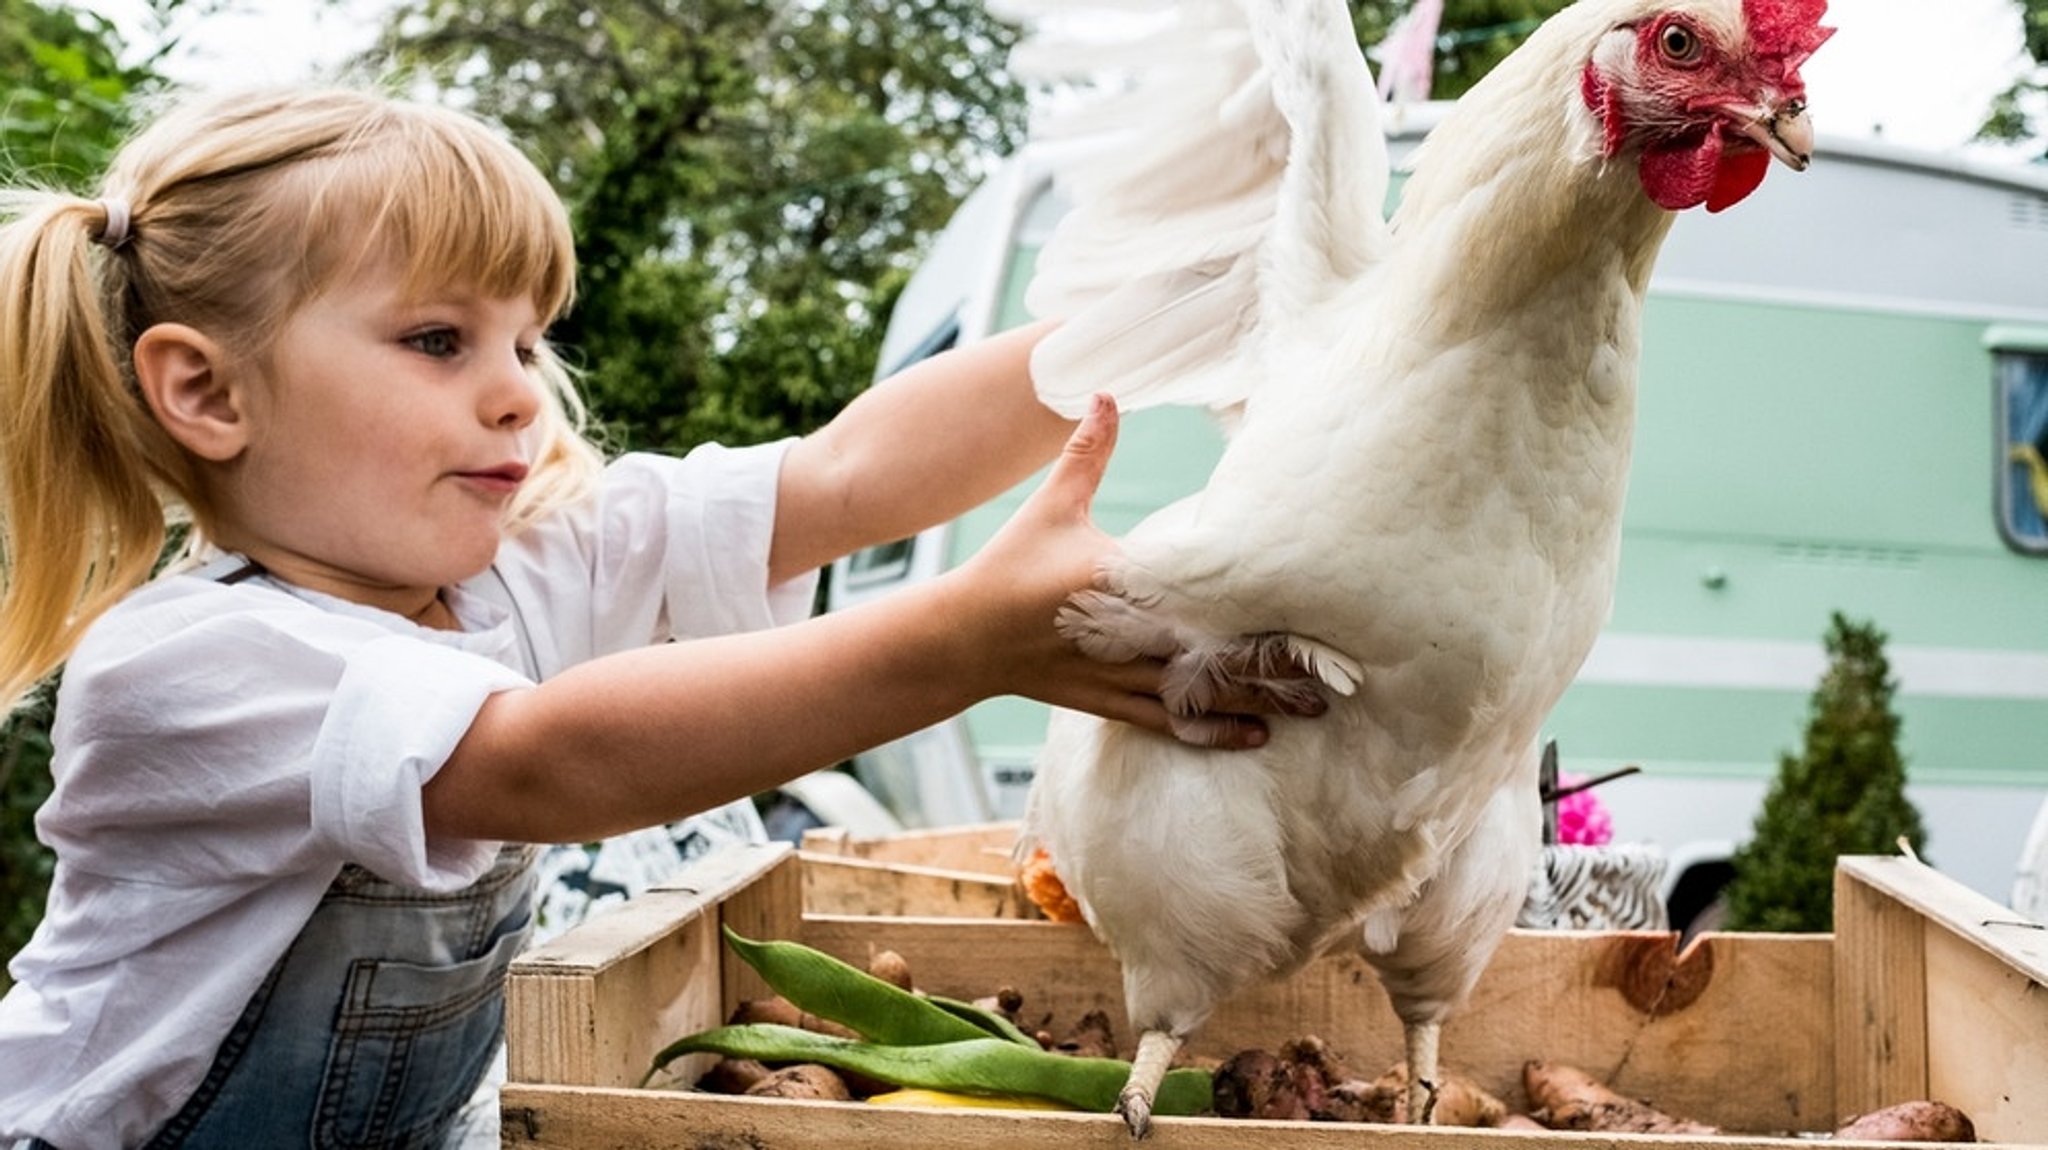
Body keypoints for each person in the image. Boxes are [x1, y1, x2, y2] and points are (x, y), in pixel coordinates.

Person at [0, 87, 1319, 1149]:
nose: (520, 392)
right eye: (439, 340)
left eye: (526, 340)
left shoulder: (521, 570)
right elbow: (544, 758)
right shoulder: (183, 664)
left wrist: (1153, 322)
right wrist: (959, 641)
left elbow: (848, 476)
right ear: (208, 394)